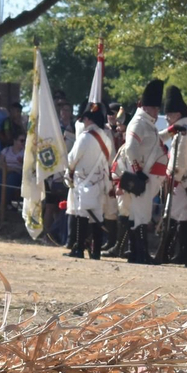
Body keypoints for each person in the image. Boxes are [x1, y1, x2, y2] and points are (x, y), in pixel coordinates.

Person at [116, 80, 167, 265]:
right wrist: (138, 171)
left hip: (147, 176)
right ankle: (140, 253)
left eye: (157, 107)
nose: (156, 111)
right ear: (144, 106)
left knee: (139, 214)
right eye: (153, 108)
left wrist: (170, 131)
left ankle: (137, 253)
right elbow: (130, 147)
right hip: (141, 177)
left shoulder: (148, 123)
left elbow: (153, 142)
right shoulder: (138, 122)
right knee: (141, 215)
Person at [156, 87, 187, 264]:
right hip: (183, 184)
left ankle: (169, 253)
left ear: (176, 114)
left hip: (180, 183)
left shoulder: (184, 133)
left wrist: (172, 181)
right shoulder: (182, 130)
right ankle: (180, 254)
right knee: (184, 218)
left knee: (173, 217)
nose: (167, 117)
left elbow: (180, 163)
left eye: (169, 114)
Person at [64, 101, 115, 260]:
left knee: (81, 214)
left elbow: (72, 159)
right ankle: (96, 252)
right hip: (100, 183)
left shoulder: (85, 137)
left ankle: (78, 248)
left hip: (84, 181)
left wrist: (69, 172)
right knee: (97, 217)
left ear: (88, 119)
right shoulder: (106, 139)